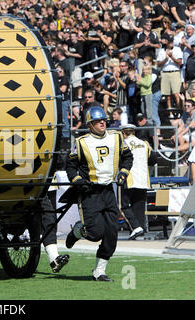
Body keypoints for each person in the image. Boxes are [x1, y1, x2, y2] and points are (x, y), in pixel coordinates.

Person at [65, 106, 133, 281]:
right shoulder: (81, 142)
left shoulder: (117, 137)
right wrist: (78, 181)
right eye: (97, 121)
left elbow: (127, 157)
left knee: (112, 233)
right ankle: (78, 231)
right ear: (89, 125)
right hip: (89, 192)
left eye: (103, 119)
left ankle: (99, 271)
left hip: (108, 190)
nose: (102, 122)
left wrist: (123, 172)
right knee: (95, 233)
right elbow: (70, 166)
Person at [120, 124, 157, 240]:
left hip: (129, 178)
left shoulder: (123, 144)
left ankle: (136, 227)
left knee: (123, 206)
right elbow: (153, 159)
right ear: (134, 132)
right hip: (142, 179)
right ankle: (139, 231)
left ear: (123, 133)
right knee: (139, 207)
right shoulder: (144, 144)